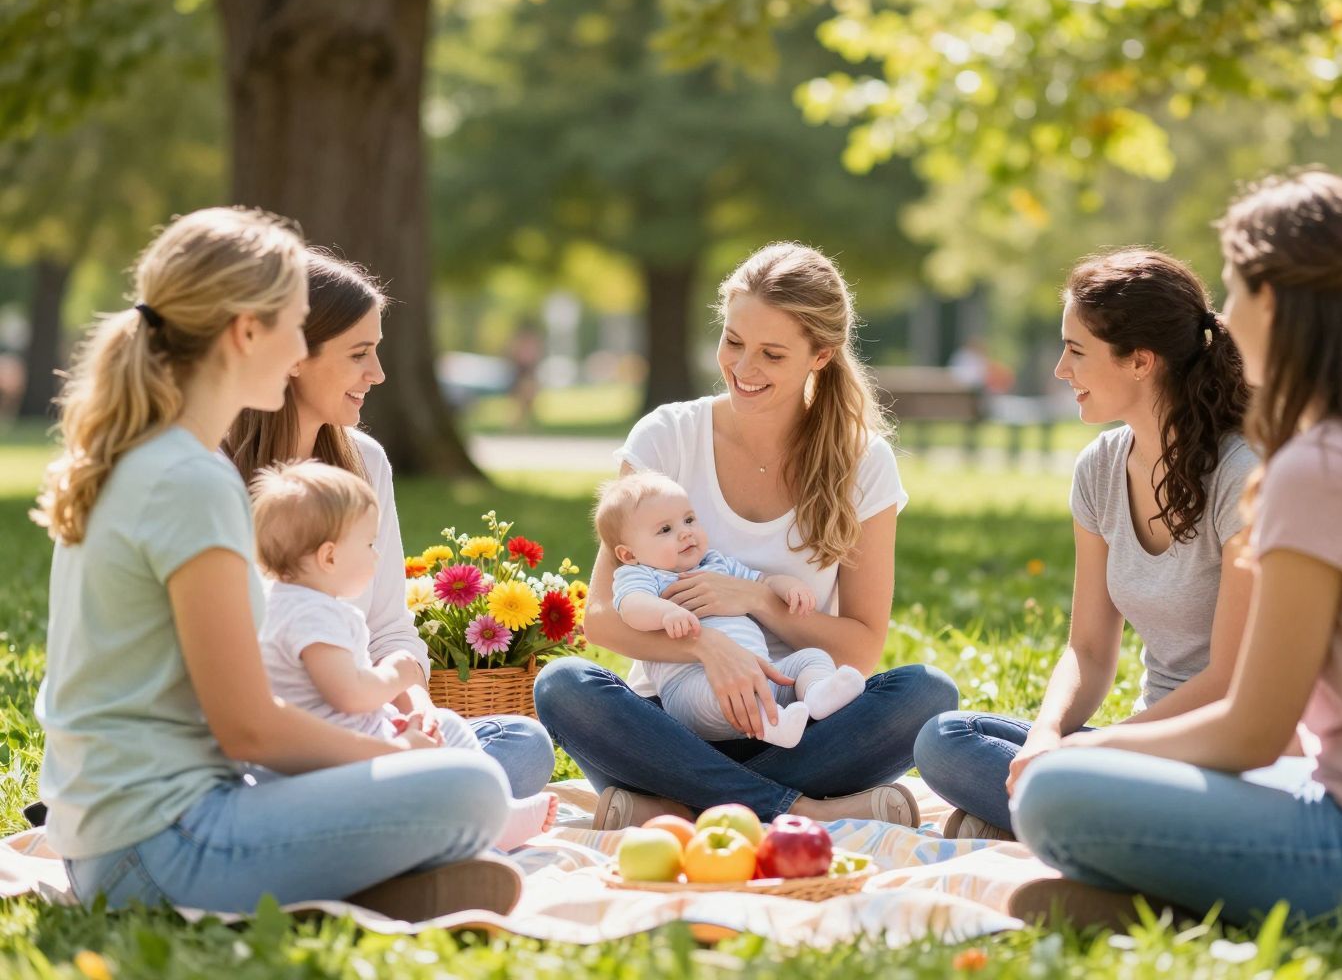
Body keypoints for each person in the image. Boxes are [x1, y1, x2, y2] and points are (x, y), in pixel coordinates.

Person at [1010, 170, 1342, 926]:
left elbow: (1255, 730)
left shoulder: (1315, 468)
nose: (1221, 316)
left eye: (1231, 290)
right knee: (1047, 852)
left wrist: (1079, 755)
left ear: (1275, 303)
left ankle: (1186, 902)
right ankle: (1186, 907)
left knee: (1055, 796)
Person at [33, 208, 516, 918]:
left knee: (474, 763)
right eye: (295, 326)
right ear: (245, 333)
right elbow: (250, 729)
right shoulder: (191, 481)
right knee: (473, 787)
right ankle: (376, 876)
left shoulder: (155, 457)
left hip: (128, 834)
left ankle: (373, 881)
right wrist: (403, 762)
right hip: (159, 847)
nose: (299, 352)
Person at [534, 242, 958, 828]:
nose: (743, 368)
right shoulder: (666, 437)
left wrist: (757, 599)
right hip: (671, 722)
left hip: (800, 725)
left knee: (928, 694)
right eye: (733, 341)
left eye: (772, 354)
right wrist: (708, 647)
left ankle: (681, 803)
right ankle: (794, 807)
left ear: (821, 355)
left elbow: (860, 647)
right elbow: (603, 617)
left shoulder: (864, 461)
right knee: (563, 685)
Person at [915, 249, 1256, 840]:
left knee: (1062, 778)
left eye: (1075, 351)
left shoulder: (1240, 477)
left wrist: (1101, 752)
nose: (1058, 370)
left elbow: (1229, 680)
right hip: (1135, 745)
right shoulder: (1099, 469)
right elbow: (1090, 651)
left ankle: (1051, 818)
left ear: (1140, 362)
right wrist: (1049, 735)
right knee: (945, 741)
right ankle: (1065, 816)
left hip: (1227, 757)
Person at [224, 251, 555, 800]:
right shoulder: (218, 471)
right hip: (277, 750)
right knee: (475, 777)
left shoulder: (365, 462)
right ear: (294, 356)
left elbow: (389, 628)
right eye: (360, 354)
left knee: (523, 743)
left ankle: (435, 798)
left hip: (371, 730)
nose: (377, 374)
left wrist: (419, 715)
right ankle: (445, 803)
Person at [250, 460, 558, 850]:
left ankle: (494, 810)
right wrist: (396, 674)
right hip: (338, 762)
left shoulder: (280, 603)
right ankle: (487, 819)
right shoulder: (313, 615)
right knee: (444, 746)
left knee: (448, 727)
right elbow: (348, 694)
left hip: (349, 743)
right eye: (367, 544)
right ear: (329, 557)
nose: (376, 556)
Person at [595, 472, 867, 748]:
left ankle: (818, 694)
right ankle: (774, 725)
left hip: (766, 674)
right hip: (693, 687)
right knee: (567, 682)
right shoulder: (641, 574)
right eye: (665, 530)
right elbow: (631, 606)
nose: (685, 532)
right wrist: (666, 613)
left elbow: (763, 581)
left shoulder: (716, 563)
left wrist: (789, 587)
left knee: (811, 658)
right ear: (628, 554)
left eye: (688, 520)